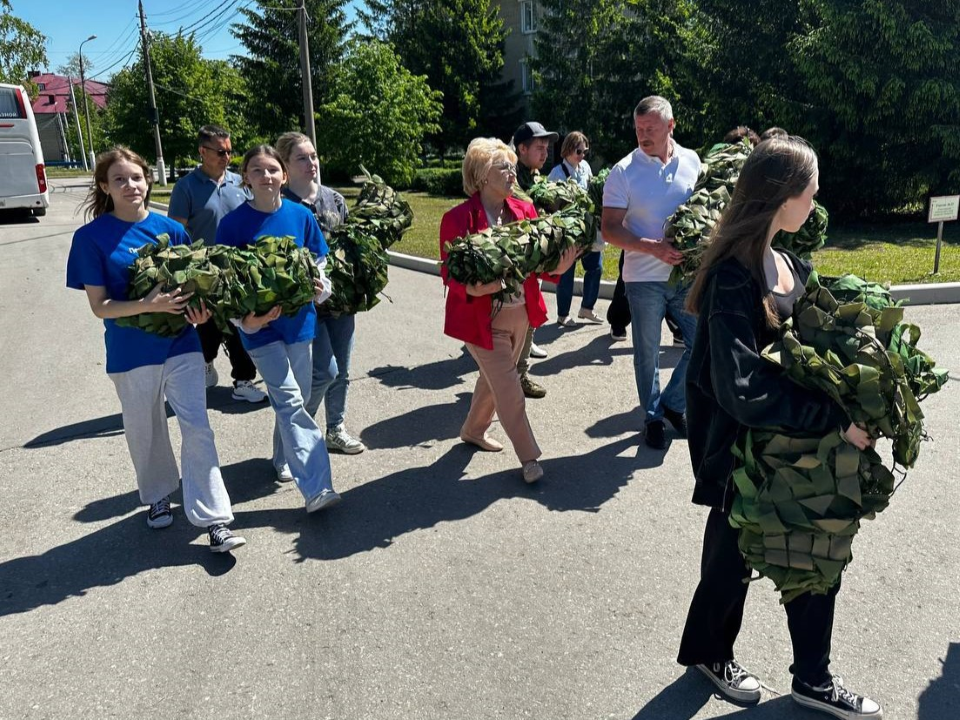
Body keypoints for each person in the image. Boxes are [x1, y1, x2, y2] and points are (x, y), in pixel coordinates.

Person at [677, 136, 882, 719]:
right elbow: (739, 386)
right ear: (780, 197)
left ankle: (811, 679)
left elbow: (813, 348)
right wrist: (835, 421)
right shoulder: (731, 279)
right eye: (810, 188)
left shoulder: (789, 263)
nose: (816, 198)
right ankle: (711, 652)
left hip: (789, 448)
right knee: (731, 557)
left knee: (813, 553)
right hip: (740, 451)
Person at [66, 147, 246, 553]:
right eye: (120, 180)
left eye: (136, 178)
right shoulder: (90, 238)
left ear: (148, 181)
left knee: (198, 428)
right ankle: (159, 495)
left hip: (181, 346)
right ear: (104, 187)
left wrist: (200, 316)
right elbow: (100, 307)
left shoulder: (172, 231)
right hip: (130, 353)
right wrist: (150, 304)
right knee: (145, 430)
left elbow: (192, 289)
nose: (131, 186)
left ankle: (216, 517)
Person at [439, 138, 578, 484]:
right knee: (510, 387)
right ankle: (530, 457)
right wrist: (471, 287)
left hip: (521, 314)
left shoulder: (524, 211)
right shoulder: (458, 218)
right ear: (482, 174)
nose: (513, 172)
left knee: (493, 381)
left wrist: (560, 266)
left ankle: (473, 429)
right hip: (481, 321)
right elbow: (449, 271)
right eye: (504, 166)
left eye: (514, 166)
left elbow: (538, 264)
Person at [215, 145, 341, 513]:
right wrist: (244, 322)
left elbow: (319, 261)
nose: (266, 176)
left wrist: (322, 287)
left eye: (272, 170)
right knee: (288, 399)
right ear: (246, 178)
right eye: (257, 170)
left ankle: (282, 457)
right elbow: (224, 283)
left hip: (300, 325)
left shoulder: (301, 216)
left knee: (294, 400)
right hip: (259, 331)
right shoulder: (233, 224)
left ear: (284, 176)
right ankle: (317, 487)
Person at [601, 96, 700, 450]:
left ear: (671, 126)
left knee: (702, 341)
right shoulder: (623, 171)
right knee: (647, 351)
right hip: (643, 278)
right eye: (639, 129)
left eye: (651, 129)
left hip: (685, 275)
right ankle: (653, 417)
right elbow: (610, 229)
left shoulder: (692, 161)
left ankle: (673, 404)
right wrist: (653, 247)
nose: (643, 135)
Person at [276, 131, 366, 457]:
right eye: (302, 157)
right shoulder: (282, 203)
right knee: (321, 373)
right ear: (285, 164)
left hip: (340, 300)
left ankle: (335, 429)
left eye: (313, 156)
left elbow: (347, 246)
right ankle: (300, 429)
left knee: (341, 369)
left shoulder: (334, 199)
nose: (311, 162)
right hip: (306, 305)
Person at [168, 125, 267, 403]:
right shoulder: (186, 187)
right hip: (204, 272)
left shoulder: (239, 183)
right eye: (220, 151)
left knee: (239, 325)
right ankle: (206, 365)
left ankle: (243, 380)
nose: (227, 156)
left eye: (230, 151)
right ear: (202, 151)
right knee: (208, 323)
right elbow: (177, 234)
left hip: (238, 270)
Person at [510, 121, 559, 399]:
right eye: (539, 147)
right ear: (522, 148)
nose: (544, 152)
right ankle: (503, 378)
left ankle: (520, 374)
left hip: (532, 264)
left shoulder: (536, 177)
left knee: (529, 318)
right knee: (511, 323)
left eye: (546, 147)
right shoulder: (510, 177)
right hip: (513, 265)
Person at [547, 131, 603, 327]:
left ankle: (587, 308)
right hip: (568, 230)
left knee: (596, 267)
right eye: (579, 151)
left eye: (585, 151)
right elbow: (549, 202)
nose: (582, 155)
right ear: (569, 150)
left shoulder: (585, 167)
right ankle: (563, 314)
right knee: (567, 272)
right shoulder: (556, 173)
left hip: (587, 227)